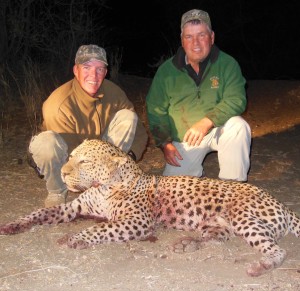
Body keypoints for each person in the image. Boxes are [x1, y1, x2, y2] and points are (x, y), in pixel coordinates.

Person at [29, 44, 148, 207]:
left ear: (106, 72)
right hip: (68, 154)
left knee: (127, 117)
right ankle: (57, 191)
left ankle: (108, 181)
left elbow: (139, 134)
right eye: (87, 67)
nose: (94, 75)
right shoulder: (58, 103)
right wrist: (90, 176)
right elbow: (71, 156)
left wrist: (126, 160)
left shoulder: (114, 91)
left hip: (95, 155)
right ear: (75, 70)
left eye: (100, 69)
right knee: (46, 143)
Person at [146, 9, 251, 182]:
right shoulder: (166, 71)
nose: (196, 43)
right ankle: (194, 174)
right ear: (182, 40)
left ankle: (232, 187)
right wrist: (165, 143)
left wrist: (206, 121)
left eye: (201, 35)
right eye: (189, 37)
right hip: (185, 140)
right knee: (172, 195)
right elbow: (155, 110)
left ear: (212, 37)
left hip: (219, 128)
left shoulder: (228, 64)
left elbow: (236, 100)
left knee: (238, 127)